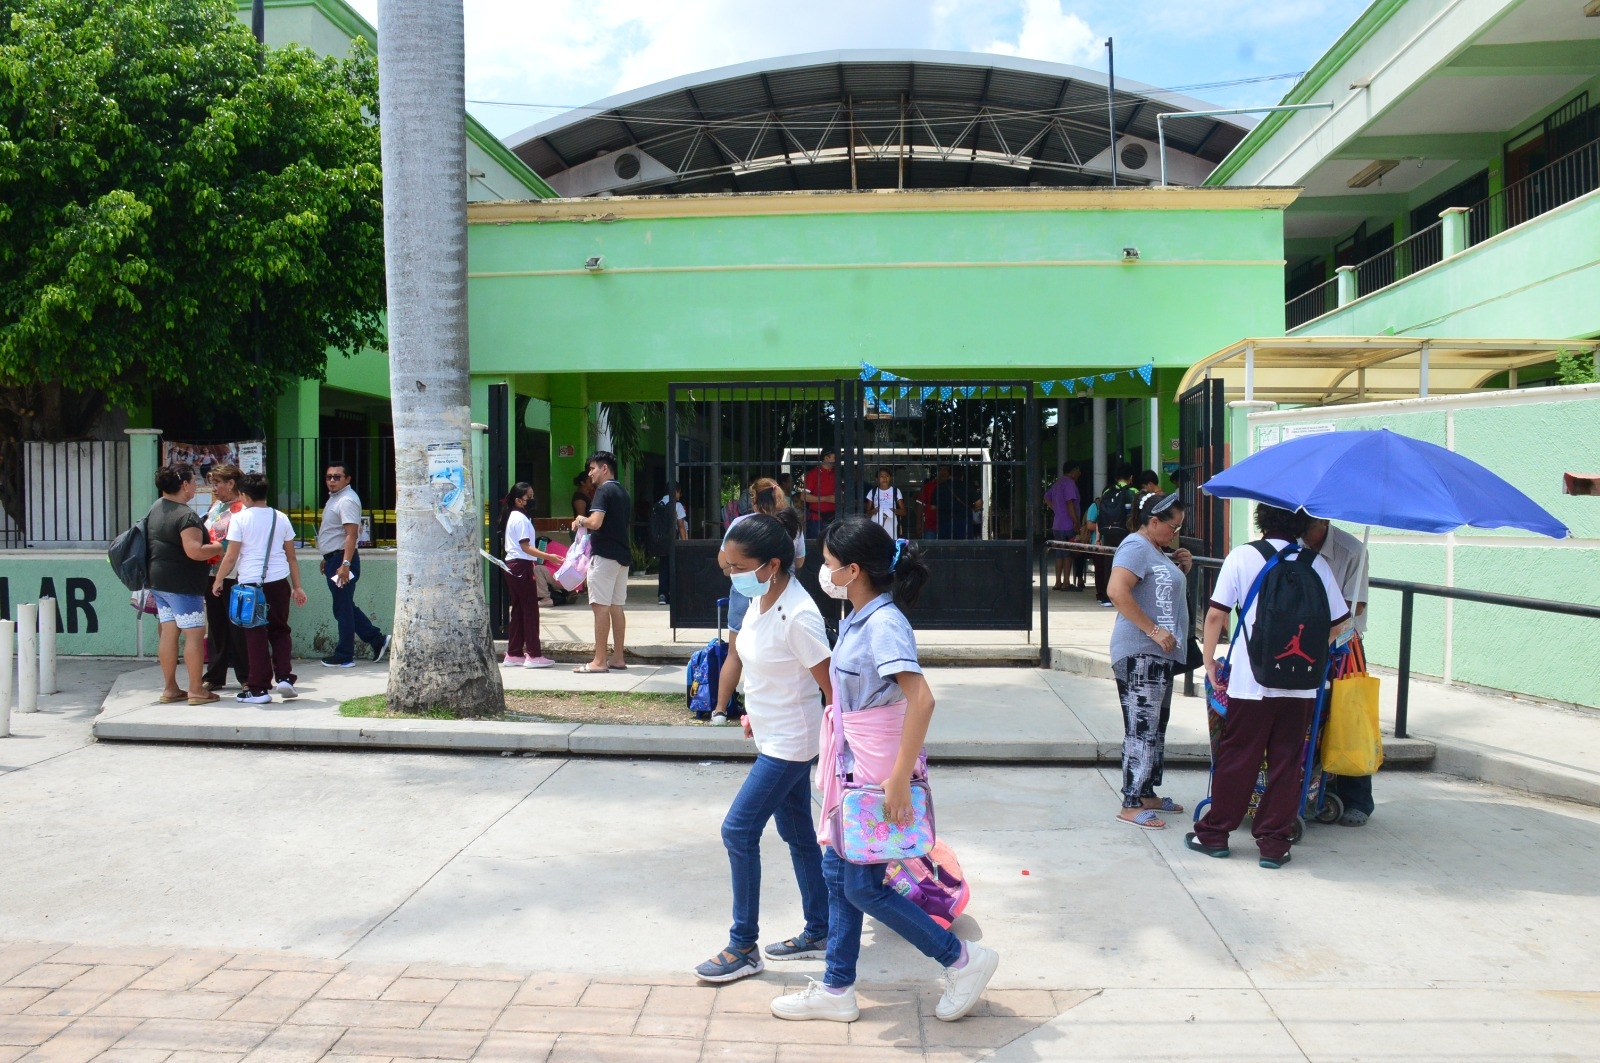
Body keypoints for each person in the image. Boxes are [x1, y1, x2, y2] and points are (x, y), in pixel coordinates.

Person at [770, 516, 998, 1024]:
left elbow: (922, 699)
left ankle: (962, 960)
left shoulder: (884, 624)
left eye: (829, 564)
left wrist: (897, 778)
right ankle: (837, 988)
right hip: (853, 765)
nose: (823, 572)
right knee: (838, 875)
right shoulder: (857, 616)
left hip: (875, 769)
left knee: (863, 886)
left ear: (853, 570)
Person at [695, 509, 832, 983]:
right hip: (773, 733)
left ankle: (743, 946)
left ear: (772, 564)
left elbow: (830, 690)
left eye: (737, 567)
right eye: (726, 566)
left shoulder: (800, 615)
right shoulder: (759, 599)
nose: (731, 574)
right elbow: (759, 661)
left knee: (737, 831)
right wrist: (753, 707)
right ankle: (821, 930)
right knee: (797, 835)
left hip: (792, 742)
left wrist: (843, 750)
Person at [1193, 505, 1350, 869]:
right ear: (1300, 523)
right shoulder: (1316, 563)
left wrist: (1209, 660)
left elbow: (1216, 613)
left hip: (1252, 680)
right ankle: (1274, 844)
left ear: (1261, 520)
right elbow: (1340, 623)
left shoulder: (1243, 556)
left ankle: (1215, 834)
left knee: (1239, 755)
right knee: (1287, 760)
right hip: (1301, 684)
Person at [1107, 493, 1194, 829]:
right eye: (1173, 526)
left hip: (1159, 654)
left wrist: (1179, 565)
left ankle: (1146, 792)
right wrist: (1154, 630)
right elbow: (1117, 591)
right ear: (1153, 521)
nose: (1176, 532)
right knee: (1142, 729)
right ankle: (1130, 803)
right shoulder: (1134, 546)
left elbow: (1158, 590)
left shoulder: (1155, 551)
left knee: (1155, 728)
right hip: (1141, 652)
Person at [1302, 517, 1374, 826]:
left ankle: (1358, 799)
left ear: (1323, 520)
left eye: (1307, 521)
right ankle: (1312, 790)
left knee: (1348, 718)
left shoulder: (1352, 550)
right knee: (1309, 721)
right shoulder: (1294, 546)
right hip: (1303, 643)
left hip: (1344, 646)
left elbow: (1355, 605)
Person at [212, 474, 308, 704]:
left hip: (249, 585)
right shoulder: (281, 518)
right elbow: (291, 556)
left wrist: (218, 579)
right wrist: (297, 586)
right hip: (278, 582)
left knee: (255, 635)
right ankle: (284, 676)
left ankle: (258, 689)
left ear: (244, 495)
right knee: (280, 630)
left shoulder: (240, 519)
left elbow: (231, 556)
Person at [716, 478, 805, 724]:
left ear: (754, 500)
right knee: (779, 653)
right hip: (781, 593)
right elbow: (799, 562)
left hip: (745, 593)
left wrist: (736, 568)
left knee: (734, 653)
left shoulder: (740, 524)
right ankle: (771, 708)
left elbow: (723, 561)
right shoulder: (791, 525)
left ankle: (720, 710)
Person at [146, 463, 224, 705]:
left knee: (169, 632)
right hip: (183, 584)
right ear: (184, 485)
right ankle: (196, 690)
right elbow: (194, 551)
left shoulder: (157, 507)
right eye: (193, 482)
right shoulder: (186, 515)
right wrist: (221, 547)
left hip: (159, 580)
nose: (196, 487)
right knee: (194, 634)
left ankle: (170, 688)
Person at [317, 462, 389, 668]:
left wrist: (344, 564)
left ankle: (344, 655)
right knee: (345, 605)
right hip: (335, 559)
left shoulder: (347, 500)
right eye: (329, 476)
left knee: (342, 609)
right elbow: (335, 534)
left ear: (347, 479)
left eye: (337, 477)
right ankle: (376, 639)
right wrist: (328, 557)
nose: (331, 480)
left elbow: (351, 535)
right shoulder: (336, 498)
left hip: (343, 561)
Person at [571, 451, 631, 674]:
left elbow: (595, 522)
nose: (590, 473)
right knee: (616, 607)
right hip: (621, 557)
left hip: (604, 556)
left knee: (600, 608)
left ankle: (599, 660)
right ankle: (618, 658)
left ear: (604, 468)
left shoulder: (603, 491)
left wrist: (580, 520)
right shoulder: (622, 492)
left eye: (593, 468)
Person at [501, 483, 562, 668]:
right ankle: (534, 655)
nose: (532, 500)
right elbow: (525, 546)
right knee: (530, 610)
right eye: (529, 497)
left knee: (520, 609)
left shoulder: (516, 516)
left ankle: (514, 653)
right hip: (521, 565)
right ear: (519, 500)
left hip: (514, 565)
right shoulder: (519, 518)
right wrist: (549, 556)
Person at [200, 463, 249, 692]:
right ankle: (215, 674)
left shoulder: (242, 508)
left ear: (231, 483)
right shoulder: (218, 506)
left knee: (238, 626)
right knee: (217, 626)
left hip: (233, 575)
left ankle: (246, 675)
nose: (215, 488)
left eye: (218, 483)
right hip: (212, 573)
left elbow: (231, 543)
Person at [1092, 465, 1139, 607]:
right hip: (1127, 533)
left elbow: (1102, 515)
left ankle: (1107, 598)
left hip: (1108, 532)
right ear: (1131, 477)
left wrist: (1099, 537)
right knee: (1128, 564)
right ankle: (1126, 597)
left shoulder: (1107, 491)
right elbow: (1136, 515)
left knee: (1109, 564)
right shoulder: (1133, 491)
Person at [1044, 461, 1083, 590]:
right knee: (1068, 553)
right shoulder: (1070, 483)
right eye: (1078, 470)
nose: (1079, 473)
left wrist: (1056, 509)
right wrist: (1076, 522)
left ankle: (1057, 582)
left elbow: (1046, 497)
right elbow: (1070, 503)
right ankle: (1066, 582)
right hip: (1068, 524)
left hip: (1057, 524)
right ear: (1073, 471)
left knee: (1059, 553)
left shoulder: (1058, 483)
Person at [653, 482, 688, 606]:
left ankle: (662, 595)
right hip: (673, 542)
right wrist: (685, 543)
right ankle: (674, 594)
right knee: (674, 567)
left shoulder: (658, 504)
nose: (680, 495)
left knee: (663, 568)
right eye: (679, 492)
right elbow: (681, 526)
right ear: (675, 491)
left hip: (660, 542)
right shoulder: (677, 505)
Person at [801, 449, 838, 539]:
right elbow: (803, 496)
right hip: (817, 520)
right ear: (826, 458)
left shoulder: (837, 474)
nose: (837, 460)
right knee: (815, 547)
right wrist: (826, 498)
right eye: (835, 458)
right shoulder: (813, 474)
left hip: (834, 518)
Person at [866, 467, 904, 538]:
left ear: (890, 478)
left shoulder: (896, 491)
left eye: (887, 476)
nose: (884, 478)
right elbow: (867, 513)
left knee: (891, 541)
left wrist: (893, 510)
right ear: (877, 479)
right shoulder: (873, 492)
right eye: (881, 476)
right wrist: (875, 510)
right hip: (876, 522)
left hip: (891, 522)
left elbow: (903, 512)